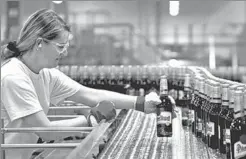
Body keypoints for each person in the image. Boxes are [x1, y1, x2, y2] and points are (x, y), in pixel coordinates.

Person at [1, 8, 175, 159]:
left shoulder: (46, 74)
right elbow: (46, 131)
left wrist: (142, 103)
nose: (65, 52)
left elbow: (90, 94)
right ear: (39, 43)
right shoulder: (14, 77)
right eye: (61, 46)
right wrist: (90, 119)